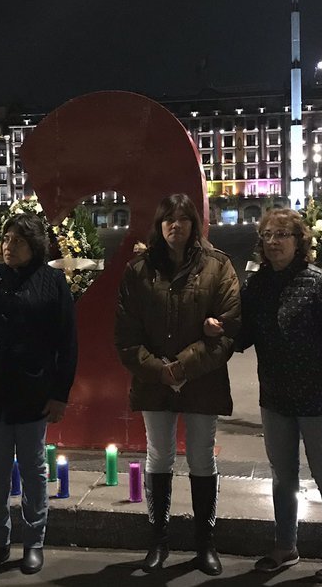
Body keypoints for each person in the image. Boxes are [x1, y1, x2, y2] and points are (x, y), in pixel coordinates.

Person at [114, 193, 240, 576]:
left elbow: (228, 329)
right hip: (155, 381)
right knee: (159, 456)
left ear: (195, 224)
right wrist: (159, 370)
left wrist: (182, 367)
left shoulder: (218, 267)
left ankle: (205, 543)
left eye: (184, 219)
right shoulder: (138, 270)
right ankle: (158, 541)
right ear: (158, 224)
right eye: (168, 218)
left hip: (201, 380)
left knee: (202, 457)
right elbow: (126, 336)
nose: (175, 226)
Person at [234, 208, 322, 583]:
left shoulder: (320, 283)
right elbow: (245, 335)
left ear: (299, 241)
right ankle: (285, 546)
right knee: (282, 477)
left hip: (318, 400)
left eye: (281, 235)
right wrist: (215, 331)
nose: (273, 242)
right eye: (268, 235)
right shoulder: (258, 285)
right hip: (275, 398)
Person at [0, 213, 78, 576]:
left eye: (18, 241)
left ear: (35, 246)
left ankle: (33, 542)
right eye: (6, 239)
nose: (9, 246)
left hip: (34, 391)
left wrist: (59, 393)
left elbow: (67, 342)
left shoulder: (53, 282)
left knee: (33, 470)